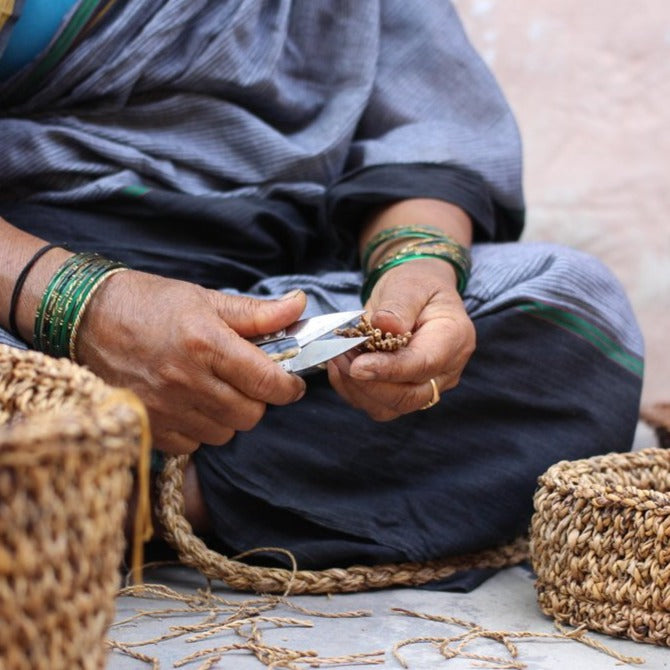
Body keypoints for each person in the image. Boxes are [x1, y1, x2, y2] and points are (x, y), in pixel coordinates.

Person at [0, 1, 644, 587]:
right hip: (25, 283)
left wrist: (417, 275)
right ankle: (90, 485)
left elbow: (421, 132)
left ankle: (100, 490)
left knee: (575, 312)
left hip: (282, 287)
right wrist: (77, 303)